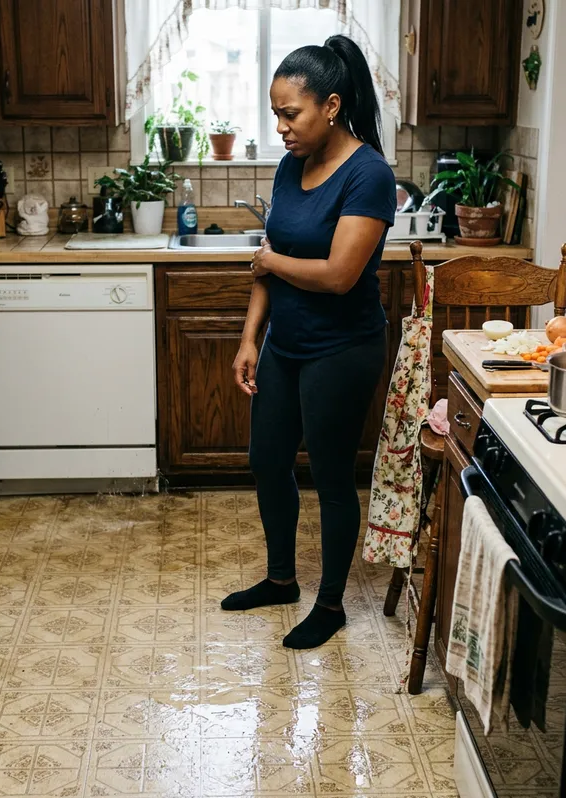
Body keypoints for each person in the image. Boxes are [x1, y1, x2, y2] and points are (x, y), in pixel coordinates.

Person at [220, 34, 396, 649]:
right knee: (267, 460)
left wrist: (270, 261)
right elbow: (271, 264)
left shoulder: (369, 174)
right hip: (285, 344)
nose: (282, 127)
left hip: (342, 349)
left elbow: (339, 274)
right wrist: (250, 338)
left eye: (290, 113)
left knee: (331, 474)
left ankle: (330, 604)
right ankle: (280, 580)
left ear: (331, 105)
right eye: (276, 114)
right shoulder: (290, 166)